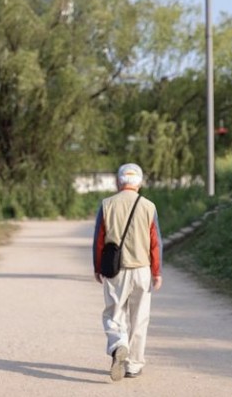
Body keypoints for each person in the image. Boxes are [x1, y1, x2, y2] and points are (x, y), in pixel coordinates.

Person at [92, 163, 163, 381]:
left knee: (114, 314)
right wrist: (157, 272)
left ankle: (118, 344)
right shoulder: (149, 206)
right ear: (139, 183)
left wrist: (97, 267)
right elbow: (155, 242)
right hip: (142, 270)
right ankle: (133, 365)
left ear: (118, 182)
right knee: (140, 317)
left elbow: (99, 241)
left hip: (116, 271)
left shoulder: (107, 205)